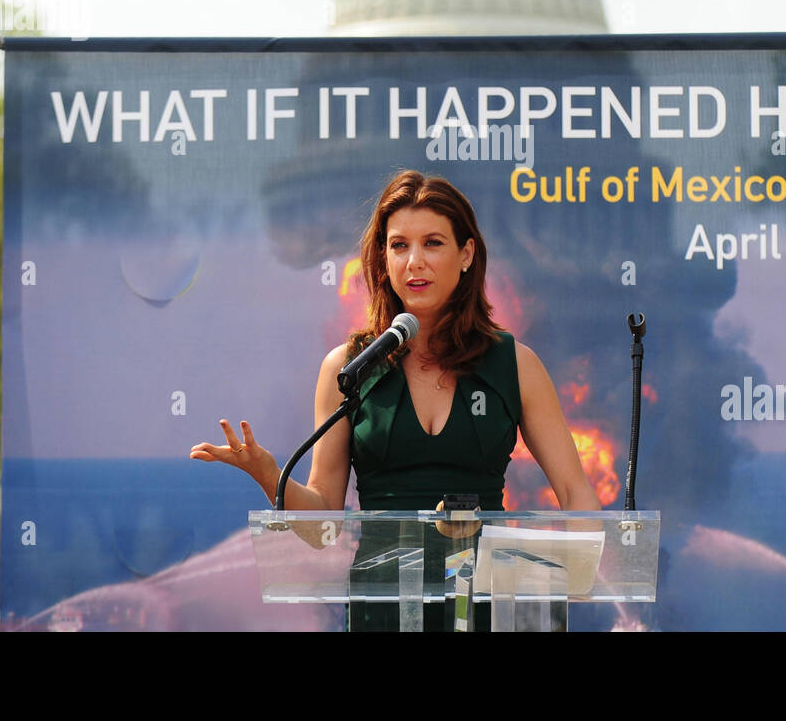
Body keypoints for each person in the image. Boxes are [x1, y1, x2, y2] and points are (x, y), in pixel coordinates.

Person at [191, 169, 600, 628]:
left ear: (466, 254)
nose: (414, 262)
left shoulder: (515, 364)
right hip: (383, 610)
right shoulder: (348, 369)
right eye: (399, 246)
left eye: (433, 243)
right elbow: (324, 526)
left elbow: (574, 491)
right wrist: (270, 475)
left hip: (486, 608)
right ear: (383, 259)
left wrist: (583, 574)